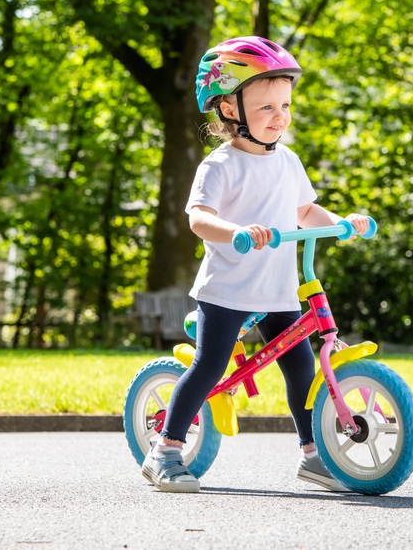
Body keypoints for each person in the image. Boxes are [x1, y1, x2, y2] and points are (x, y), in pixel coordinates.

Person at [141, 36, 369, 493]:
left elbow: (305, 211)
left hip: (279, 288)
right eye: (266, 107)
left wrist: (341, 223)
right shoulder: (220, 165)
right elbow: (199, 219)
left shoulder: (288, 162)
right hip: (228, 289)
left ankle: (313, 454)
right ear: (229, 110)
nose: (279, 116)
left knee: (302, 370)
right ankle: (165, 449)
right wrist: (237, 233)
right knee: (210, 366)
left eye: (284, 105)